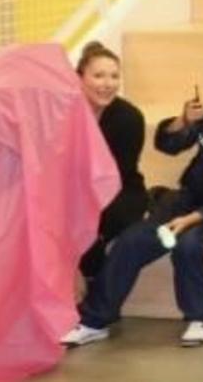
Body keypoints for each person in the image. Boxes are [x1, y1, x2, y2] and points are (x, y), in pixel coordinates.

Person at [61, 66, 203, 351]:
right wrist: (182, 121)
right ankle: (95, 320)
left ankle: (202, 317)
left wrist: (191, 220)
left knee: (188, 245)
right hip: (184, 198)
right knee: (131, 241)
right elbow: (167, 145)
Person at [74, 42, 148, 285]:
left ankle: (93, 282)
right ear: (80, 77)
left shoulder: (129, 117)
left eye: (114, 76)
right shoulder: (64, 113)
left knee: (92, 218)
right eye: (98, 76)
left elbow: (118, 174)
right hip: (74, 188)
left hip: (119, 190)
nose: (107, 84)